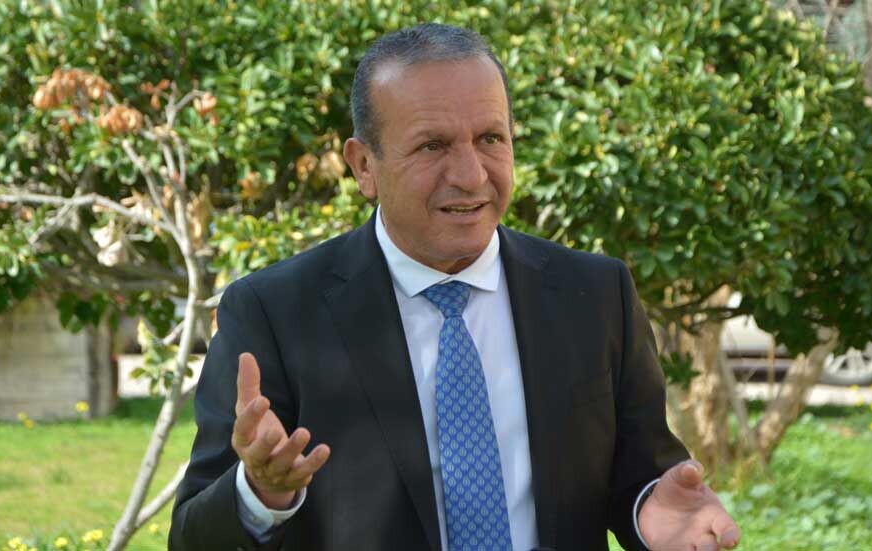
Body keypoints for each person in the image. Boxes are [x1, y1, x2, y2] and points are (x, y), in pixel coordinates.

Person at [170, 23, 741, 551]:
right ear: (364, 166)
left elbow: (641, 475)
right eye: (432, 146)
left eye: (491, 138)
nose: (471, 175)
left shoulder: (595, 295)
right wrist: (261, 494)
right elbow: (192, 538)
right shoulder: (273, 314)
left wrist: (654, 512)